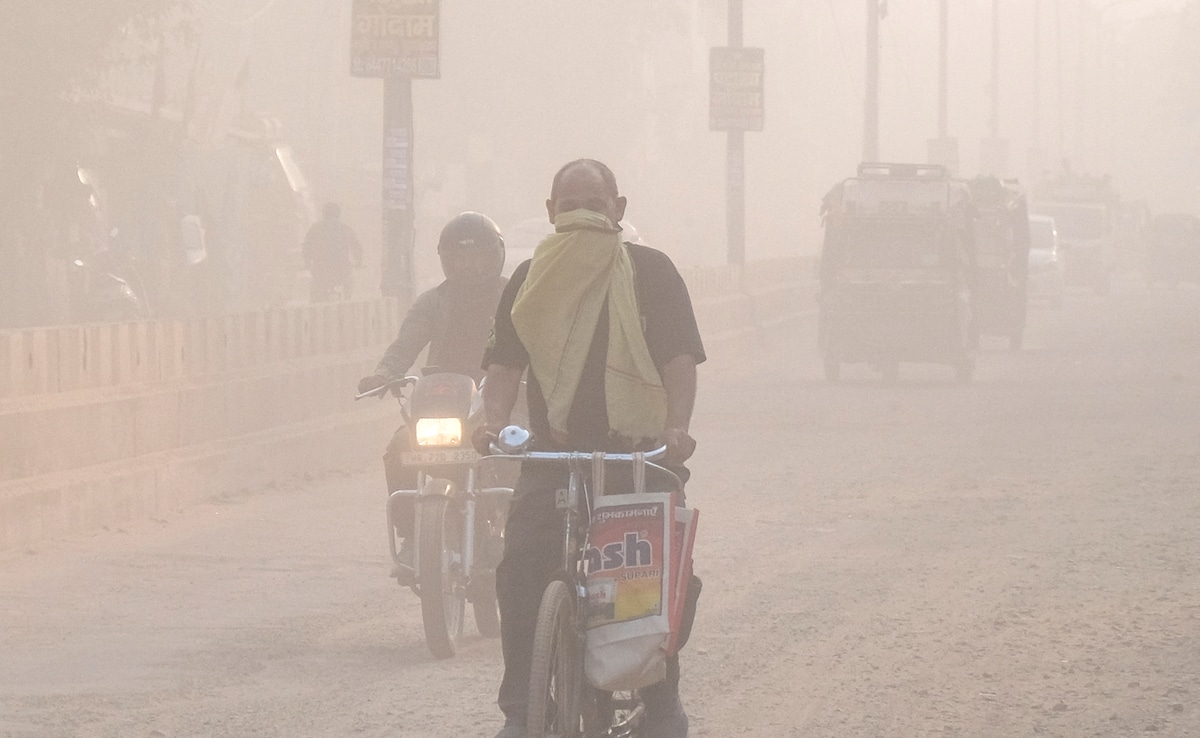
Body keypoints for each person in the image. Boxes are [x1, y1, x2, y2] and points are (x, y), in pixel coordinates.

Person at [474, 159, 704, 738]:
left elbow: (679, 359)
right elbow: (504, 365)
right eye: (570, 204)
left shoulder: (652, 272)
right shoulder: (529, 280)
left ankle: (660, 697)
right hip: (554, 456)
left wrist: (676, 429)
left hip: (638, 456)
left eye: (594, 203)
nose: (582, 214)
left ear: (618, 210)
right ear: (551, 213)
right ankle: (522, 711)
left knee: (664, 581)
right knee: (519, 570)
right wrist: (493, 424)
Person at [357, 212, 508, 578]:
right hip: (443, 401)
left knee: (518, 453)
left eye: (476, 257)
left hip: (499, 400)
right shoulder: (432, 302)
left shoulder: (513, 296)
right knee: (398, 451)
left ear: (494, 257)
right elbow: (405, 343)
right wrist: (385, 374)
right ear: (446, 260)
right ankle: (412, 536)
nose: (468, 266)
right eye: (459, 258)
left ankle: (511, 531)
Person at [303, 202, 363, 302]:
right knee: (349, 284)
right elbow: (357, 247)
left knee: (315, 292)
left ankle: (314, 305)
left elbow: (306, 247)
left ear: (324, 214)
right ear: (338, 214)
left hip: (320, 271)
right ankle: (347, 302)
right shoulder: (345, 229)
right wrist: (359, 262)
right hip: (342, 271)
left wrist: (307, 263)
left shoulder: (315, 229)